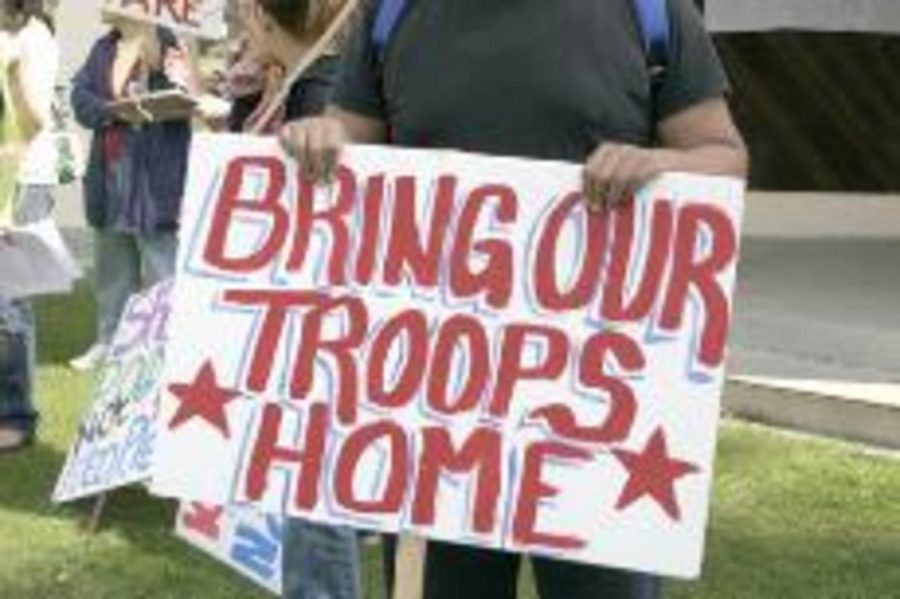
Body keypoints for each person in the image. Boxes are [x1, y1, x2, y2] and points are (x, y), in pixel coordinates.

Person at [282, 0, 749, 598]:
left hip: (600, 401)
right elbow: (348, 147)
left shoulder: (652, 12)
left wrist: (659, 164)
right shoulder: (391, 13)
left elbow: (723, 157)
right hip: (439, 408)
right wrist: (321, 138)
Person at [236, 2, 360, 599]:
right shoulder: (305, 85)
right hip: (308, 325)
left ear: (261, 17)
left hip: (312, 329)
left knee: (314, 493)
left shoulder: (320, 94)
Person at [68, 12, 195, 371]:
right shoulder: (103, 47)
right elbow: (80, 97)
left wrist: (156, 92)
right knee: (112, 267)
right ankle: (108, 341)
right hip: (110, 174)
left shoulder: (170, 44)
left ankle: (163, 347)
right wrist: (113, 111)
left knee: (161, 266)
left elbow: (186, 95)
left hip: (155, 176)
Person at [0, 0, 58, 453]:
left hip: (21, 180)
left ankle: (16, 415)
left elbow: (33, 121)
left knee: (10, 300)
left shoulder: (32, 35)